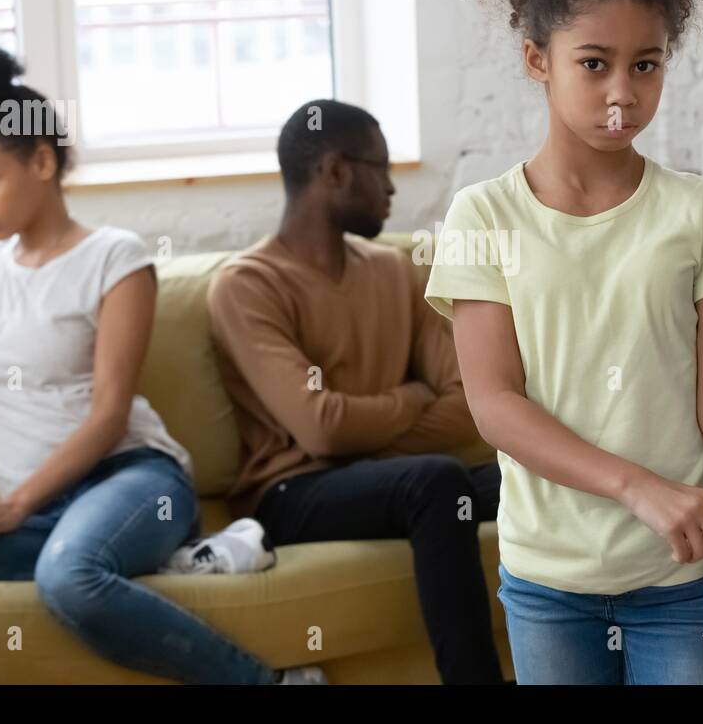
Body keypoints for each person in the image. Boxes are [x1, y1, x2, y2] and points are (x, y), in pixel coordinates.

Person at [0, 44, 302, 684]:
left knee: (67, 578)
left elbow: (109, 417)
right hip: (50, 511)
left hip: (128, 479)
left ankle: (269, 683)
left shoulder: (115, 258)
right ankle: (153, 561)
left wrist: (15, 505)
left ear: (42, 160)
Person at [423, 0, 703, 684]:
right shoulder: (483, 216)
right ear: (536, 60)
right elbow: (496, 404)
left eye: (646, 64)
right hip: (550, 583)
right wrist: (637, 488)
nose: (622, 93)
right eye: (594, 63)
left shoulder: (699, 214)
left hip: (687, 575)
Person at [207, 98, 505, 684]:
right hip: (294, 492)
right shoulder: (247, 285)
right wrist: (411, 401)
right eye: (382, 170)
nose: (393, 190)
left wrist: (361, 440)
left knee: (532, 470)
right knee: (434, 481)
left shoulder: (398, 270)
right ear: (336, 171)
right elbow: (319, 427)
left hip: (402, 483)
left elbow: (467, 404)